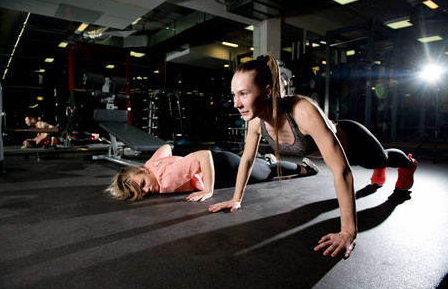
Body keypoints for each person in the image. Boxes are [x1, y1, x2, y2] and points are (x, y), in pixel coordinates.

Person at [208, 53, 418, 258]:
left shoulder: (301, 111)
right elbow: (246, 159)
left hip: (355, 141)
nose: (236, 103)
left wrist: (348, 232)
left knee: (380, 159)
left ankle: (408, 163)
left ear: (268, 91)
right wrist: (236, 199)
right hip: (336, 153)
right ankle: (380, 169)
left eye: (243, 94)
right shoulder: (256, 122)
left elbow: (341, 170)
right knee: (367, 166)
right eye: (234, 94)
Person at [106, 144, 319, 202]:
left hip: (224, 169)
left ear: (142, 171)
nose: (148, 190)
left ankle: (305, 168)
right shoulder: (150, 166)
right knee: (260, 167)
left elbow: (203, 154)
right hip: (221, 160)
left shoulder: (166, 180)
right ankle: (263, 161)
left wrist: (208, 190)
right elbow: (166, 146)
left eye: (142, 184)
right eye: (140, 193)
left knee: (269, 172)